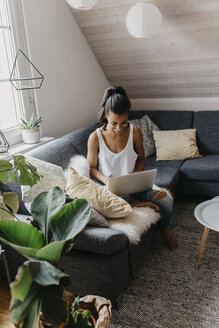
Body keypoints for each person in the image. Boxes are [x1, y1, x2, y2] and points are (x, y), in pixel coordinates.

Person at [87, 86, 178, 251]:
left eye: (123, 122)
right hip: (109, 188)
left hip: (133, 185)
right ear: (106, 115)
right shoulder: (95, 137)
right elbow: (91, 168)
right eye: (114, 123)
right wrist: (106, 180)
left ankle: (164, 228)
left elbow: (142, 158)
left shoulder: (135, 132)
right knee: (99, 207)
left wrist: (135, 176)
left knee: (165, 201)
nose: (120, 128)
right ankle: (135, 204)